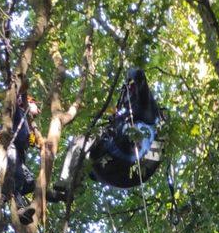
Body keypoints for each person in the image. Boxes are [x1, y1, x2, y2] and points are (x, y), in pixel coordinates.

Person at [50, 67, 163, 201]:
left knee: (90, 138)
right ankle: (69, 187)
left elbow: (139, 75)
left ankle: (69, 181)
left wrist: (129, 74)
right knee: (82, 143)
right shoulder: (125, 117)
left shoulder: (146, 110)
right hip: (115, 169)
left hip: (130, 155)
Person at [8, 91, 40, 225]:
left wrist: (31, 139)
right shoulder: (17, 112)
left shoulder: (26, 121)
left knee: (30, 182)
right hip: (11, 147)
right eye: (34, 104)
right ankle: (19, 208)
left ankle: (11, 192)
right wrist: (20, 91)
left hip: (20, 153)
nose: (37, 109)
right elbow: (13, 100)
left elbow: (26, 139)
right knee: (19, 177)